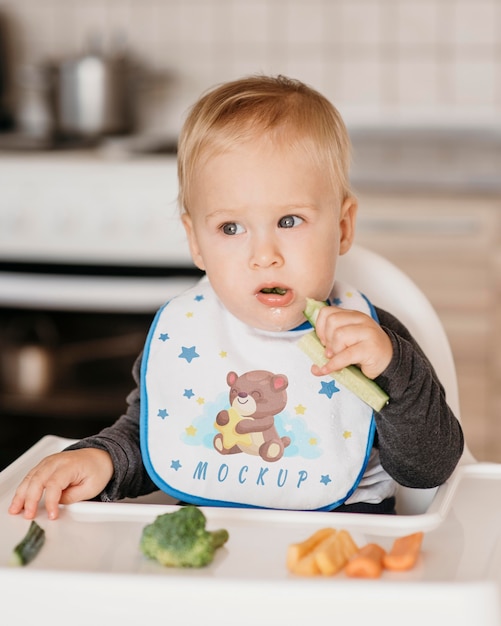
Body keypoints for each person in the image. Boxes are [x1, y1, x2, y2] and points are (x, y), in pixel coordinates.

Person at [9, 75, 464, 520]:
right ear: (196, 242)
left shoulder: (373, 340)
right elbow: (155, 436)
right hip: (211, 565)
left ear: (342, 227)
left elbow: (428, 468)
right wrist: (101, 460)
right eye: (231, 228)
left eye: (289, 221)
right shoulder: (189, 328)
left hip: (337, 562)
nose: (263, 256)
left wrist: (392, 367)